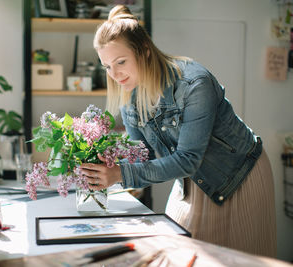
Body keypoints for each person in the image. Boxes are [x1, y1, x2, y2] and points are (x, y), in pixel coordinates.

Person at [80, 5, 277, 257]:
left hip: (241, 177)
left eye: (120, 62)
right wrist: (99, 160)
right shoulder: (130, 98)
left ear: (145, 52)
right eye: (107, 66)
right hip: (192, 182)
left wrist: (119, 174)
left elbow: (188, 159)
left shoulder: (194, 84)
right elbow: (143, 156)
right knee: (178, 254)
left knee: (240, 260)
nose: (115, 74)